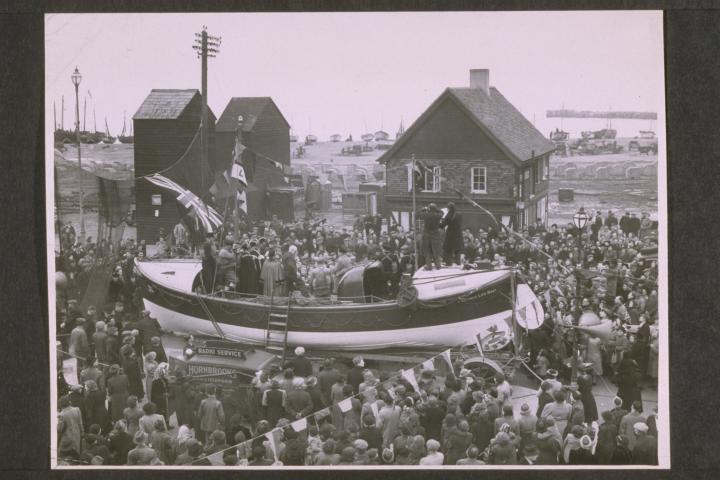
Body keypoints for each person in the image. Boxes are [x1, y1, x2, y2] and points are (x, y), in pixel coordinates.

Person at [420, 204, 443, 270]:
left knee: (427, 251)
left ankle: (429, 266)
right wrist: (437, 209)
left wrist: (424, 209)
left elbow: (420, 213)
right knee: (436, 251)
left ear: (429, 208)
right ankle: (438, 266)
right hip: (435, 235)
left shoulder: (425, 215)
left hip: (426, 235)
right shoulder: (438, 216)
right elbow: (442, 212)